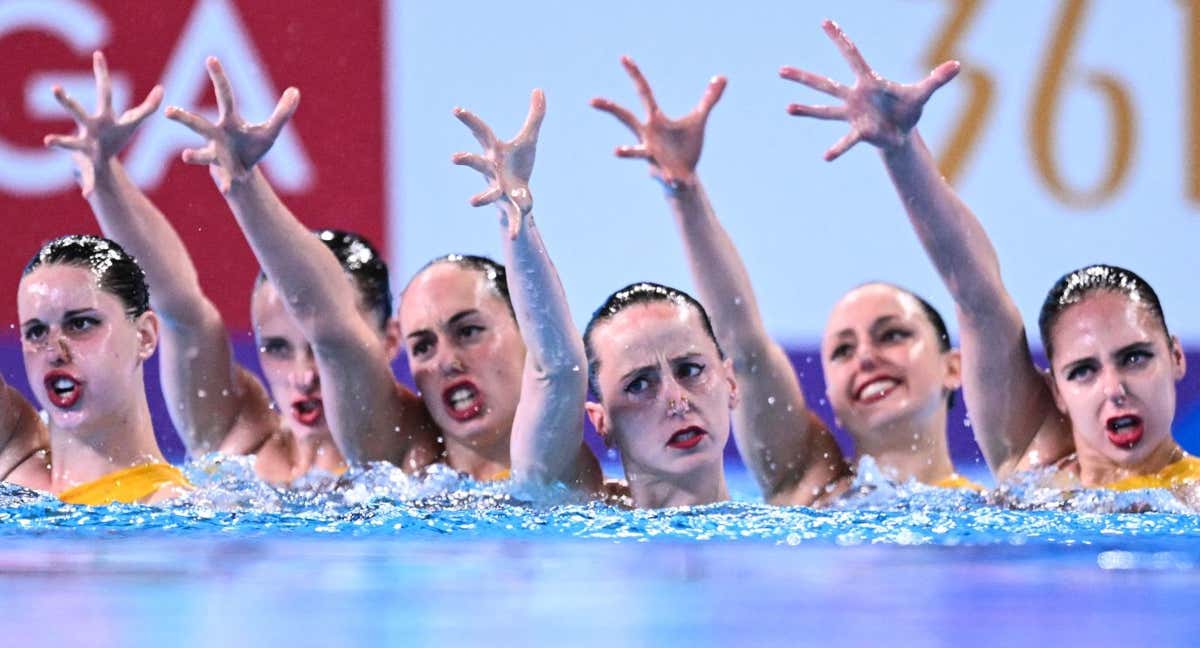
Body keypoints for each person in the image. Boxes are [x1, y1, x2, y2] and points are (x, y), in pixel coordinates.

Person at [782, 20, 1200, 499]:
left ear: (1174, 357)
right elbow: (975, 295)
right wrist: (901, 151)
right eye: (1083, 371)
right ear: (1056, 393)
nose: (1114, 388)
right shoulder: (1035, 457)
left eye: (1135, 357)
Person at [170, 58, 600, 489]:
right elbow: (332, 332)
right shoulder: (400, 456)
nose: (447, 362)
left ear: (526, 332)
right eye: (423, 346)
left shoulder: (550, 458)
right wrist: (244, 185)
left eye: (468, 331)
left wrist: (518, 220)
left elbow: (559, 369)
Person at [590, 56, 973, 506]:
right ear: (828, 392)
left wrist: (902, 149)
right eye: (843, 351)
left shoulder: (1002, 505)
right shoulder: (808, 482)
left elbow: (979, 300)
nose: (866, 358)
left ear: (954, 366)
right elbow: (744, 349)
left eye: (893, 335)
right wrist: (685, 191)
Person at [43, 52, 433, 484]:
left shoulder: (412, 447)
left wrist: (245, 184)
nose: (303, 377)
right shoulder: (236, 436)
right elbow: (180, 312)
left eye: (317, 351)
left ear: (387, 340)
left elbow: (330, 326)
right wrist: (105, 180)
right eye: (278, 349)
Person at [8, 235, 189, 504]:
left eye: (80, 324)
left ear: (145, 336)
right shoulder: (12, 453)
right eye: (36, 331)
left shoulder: (170, 508)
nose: (55, 353)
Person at [583, 282, 739, 508]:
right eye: (639, 385)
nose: (677, 402)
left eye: (690, 370)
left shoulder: (779, 533)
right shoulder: (584, 525)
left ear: (730, 383)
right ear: (602, 422)